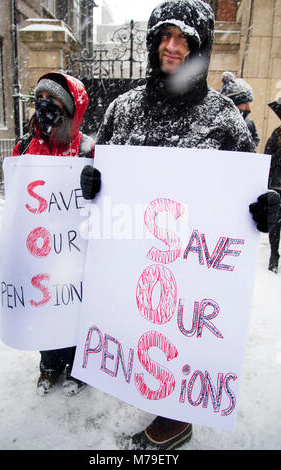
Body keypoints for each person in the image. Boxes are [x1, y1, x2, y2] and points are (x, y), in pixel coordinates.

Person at [80, 0, 279, 450]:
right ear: (153, 42)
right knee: (139, 320)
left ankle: (177, 414)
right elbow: (102, 169)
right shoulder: (124, 109)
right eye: (164, 36)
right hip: (136, 250)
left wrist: (265, 207)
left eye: (185, 39)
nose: (172, 47)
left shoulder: (223, 118)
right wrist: (91, 180)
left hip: (192, 262)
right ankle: (137, 379)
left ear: (201, 48)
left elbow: (249, 189)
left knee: (178, 330)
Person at [0, 71, 96, 396]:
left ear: (70, 109)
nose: (44, 106)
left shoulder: (89, 151)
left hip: (77, 252)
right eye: (40, 100)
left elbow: (107, 202)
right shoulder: (25, 148)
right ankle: (49, 366)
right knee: (45, 306)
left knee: (76, 309)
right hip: (40, 251)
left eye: (53, 102)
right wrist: (6, 245)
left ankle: (80, 366)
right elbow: (17, 209)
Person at [220, 71, 260, 149]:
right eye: (245, 103)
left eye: (249, 103)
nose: (249, 109)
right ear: (233, 104)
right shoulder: (217, 124)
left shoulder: (249, 124)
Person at [264, 98, 281, 272]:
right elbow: (267, 158)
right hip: (277, 186)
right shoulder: (277, 134)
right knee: (275, 224)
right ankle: (274, 256)